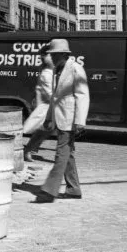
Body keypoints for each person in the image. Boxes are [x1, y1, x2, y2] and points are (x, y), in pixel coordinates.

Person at [33, 39, 90, 203]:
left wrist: (80, 121)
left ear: (65, 54)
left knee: (61, 153)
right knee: (68, 155)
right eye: (52, 55)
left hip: (70, 119)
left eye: (56, 55)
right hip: (60, 117)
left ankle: (49, 190)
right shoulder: (57, 70)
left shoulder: (75, 68)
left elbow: (82, 95)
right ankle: (73, 189)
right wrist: (48, 117)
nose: (53, 57)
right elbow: (55, 98)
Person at [23, 44, 56, 162]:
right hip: (49, 106)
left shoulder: (52, 71)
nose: (54, 58)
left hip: (50, 105)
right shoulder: (47, 73)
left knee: (45, 130)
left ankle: (28, 149)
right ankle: (27, 149)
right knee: (46, 130)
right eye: (51, 55)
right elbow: (50, 93)